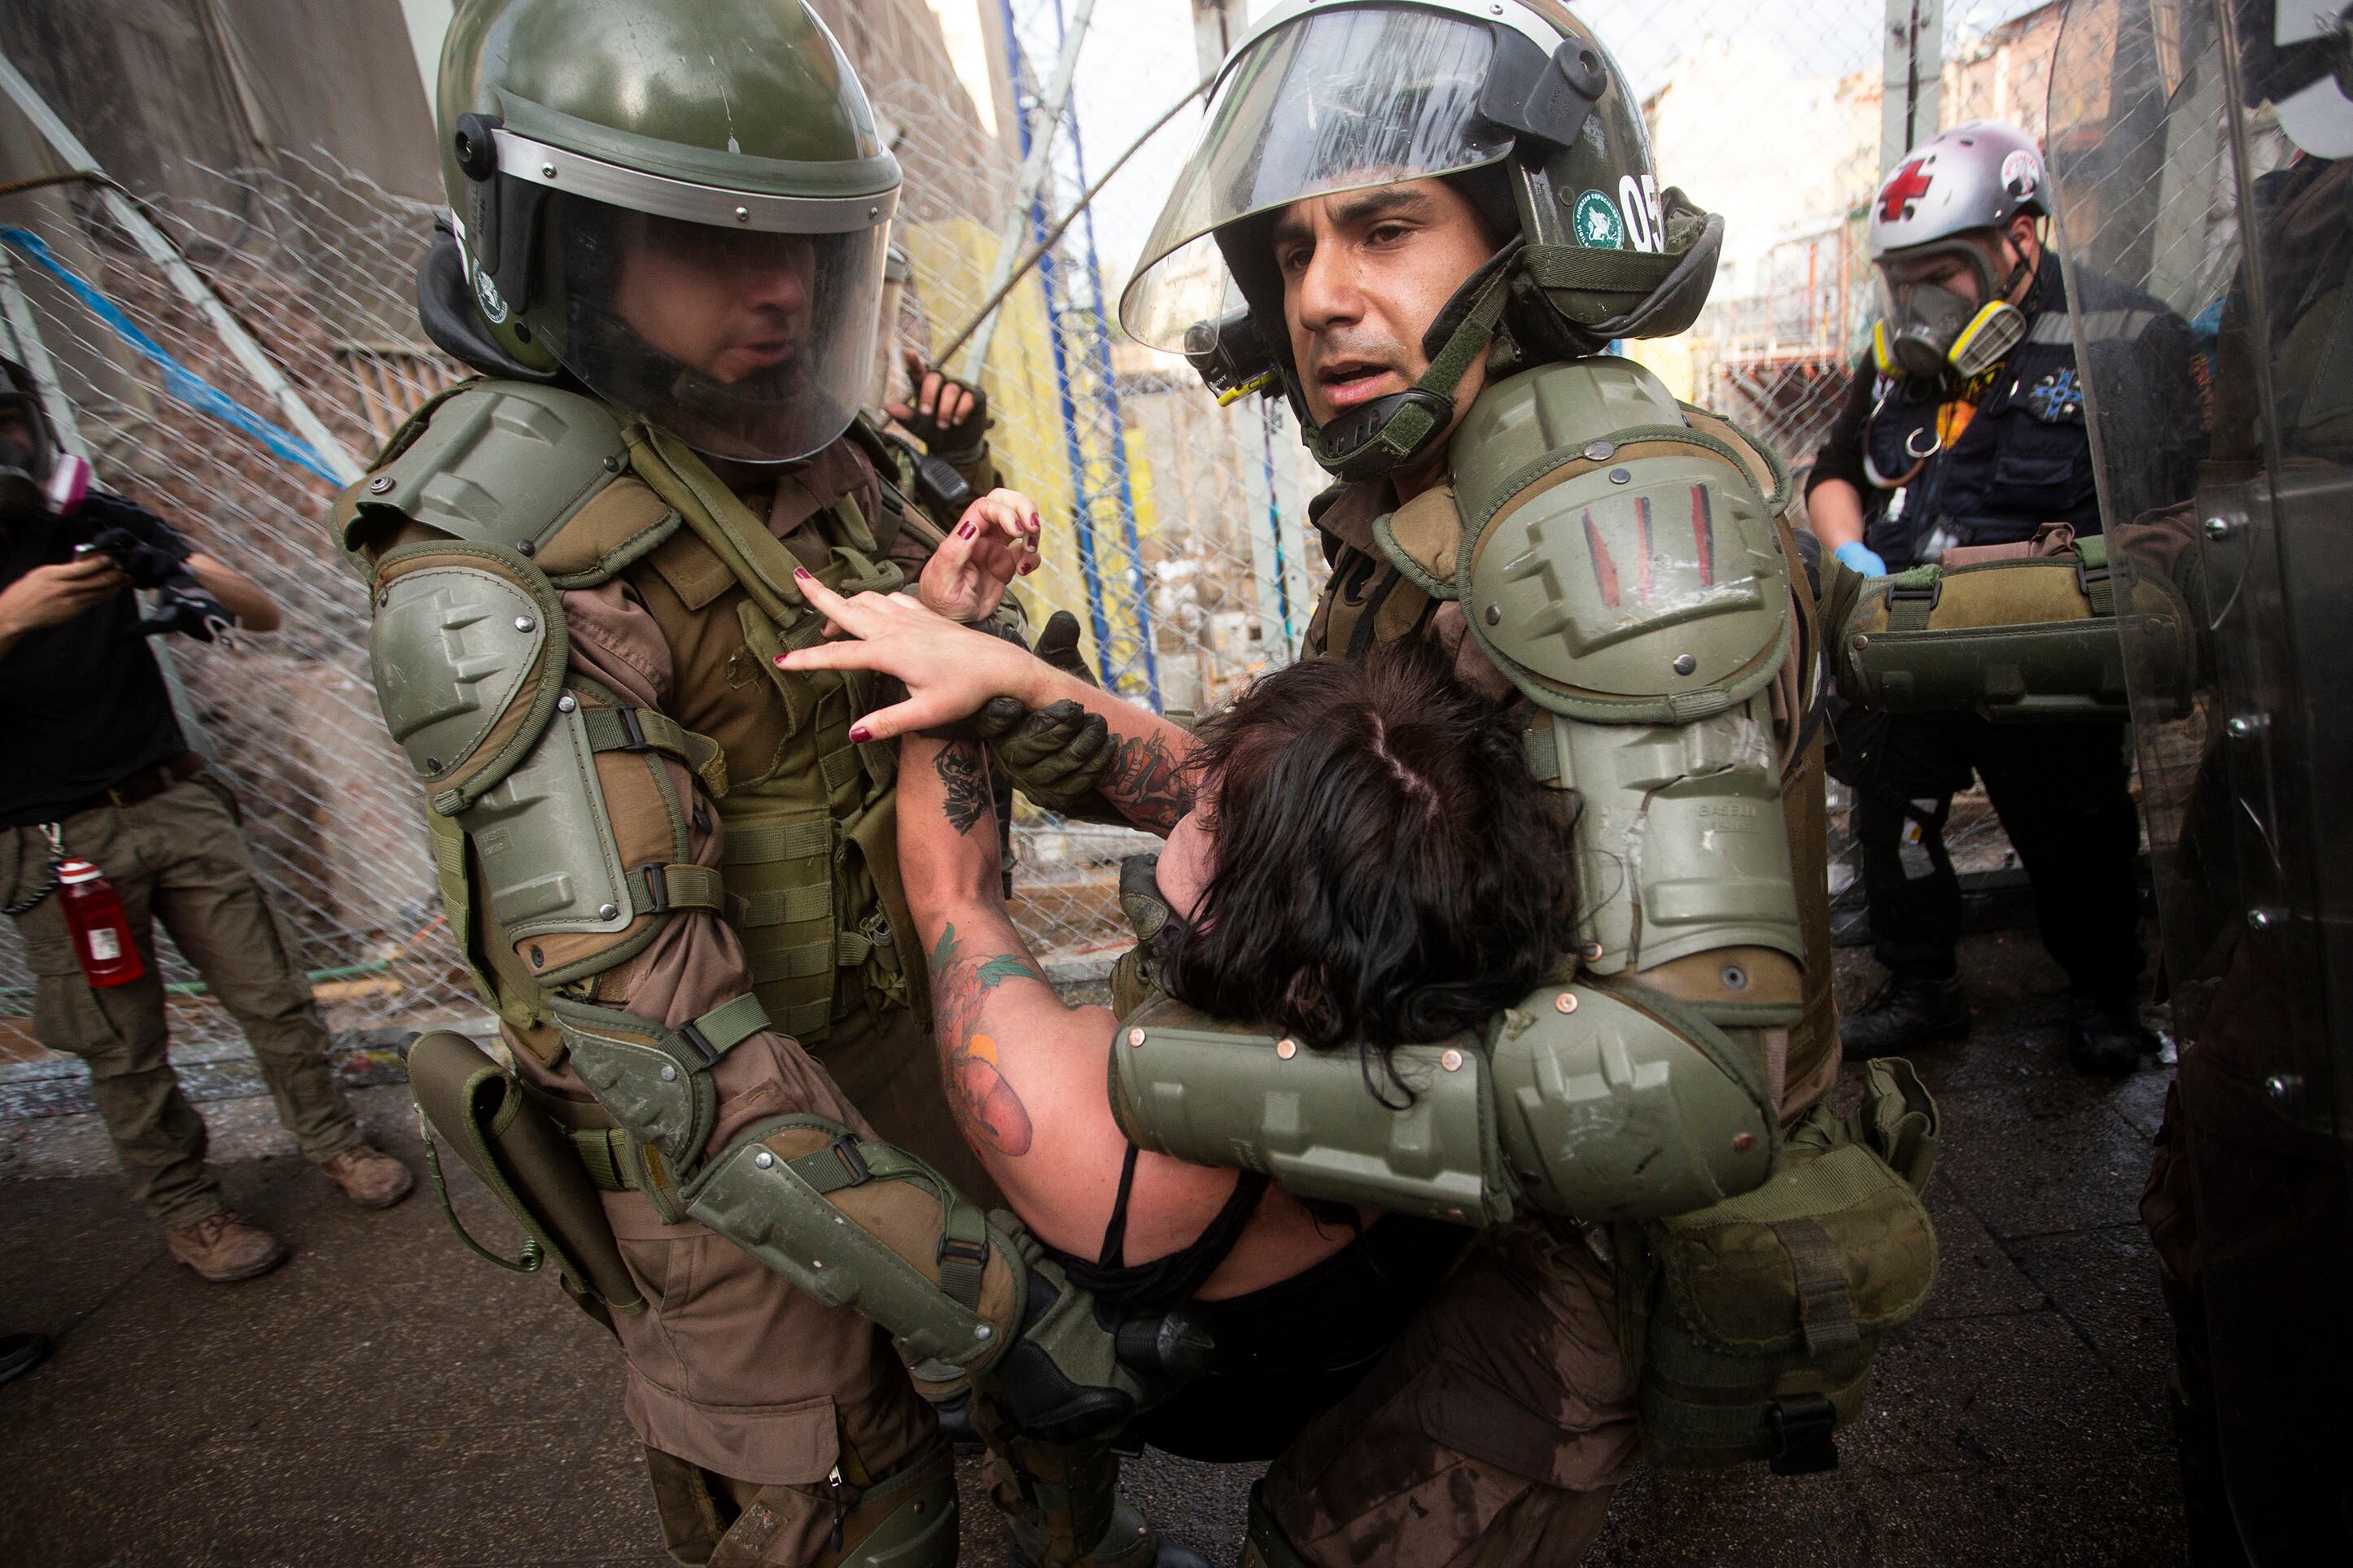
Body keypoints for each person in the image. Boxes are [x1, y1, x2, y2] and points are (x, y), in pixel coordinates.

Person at [356, 3, 1196, 1564]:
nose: (780, 293)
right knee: (849, 1499)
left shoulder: (803, 447)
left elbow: (943, 698)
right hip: (710, 1137)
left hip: (910, 1039)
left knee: (1065, 1437)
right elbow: (648, 1036)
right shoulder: (501, 556)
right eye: (705, 243)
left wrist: (958, 632)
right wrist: (982, 1299)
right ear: (572, 241)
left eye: (812, 247)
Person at [0, 356, 414, 1283]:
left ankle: (335, 1143)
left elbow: (256, 608)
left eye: (10, 423)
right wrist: (14, 616)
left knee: (271, 993)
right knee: (124, 1046)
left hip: (171, 800)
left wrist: (179, 577)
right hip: (54, 842)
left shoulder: (85, 521)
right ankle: (190, 1212)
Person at [1804, 120, 2206, 1076]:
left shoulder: (2125, 334)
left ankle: (2105, 998)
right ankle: (1921, 984)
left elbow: (2181, 505)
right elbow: (1833, 468)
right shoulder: (1900, 361)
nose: (1913, 300)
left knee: (2074, 828)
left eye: (1935, 273)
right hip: (1906, 642)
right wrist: (1850, 554)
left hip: (2041, 645)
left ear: (2017, 240)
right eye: (1897, 277)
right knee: (1890, 817)